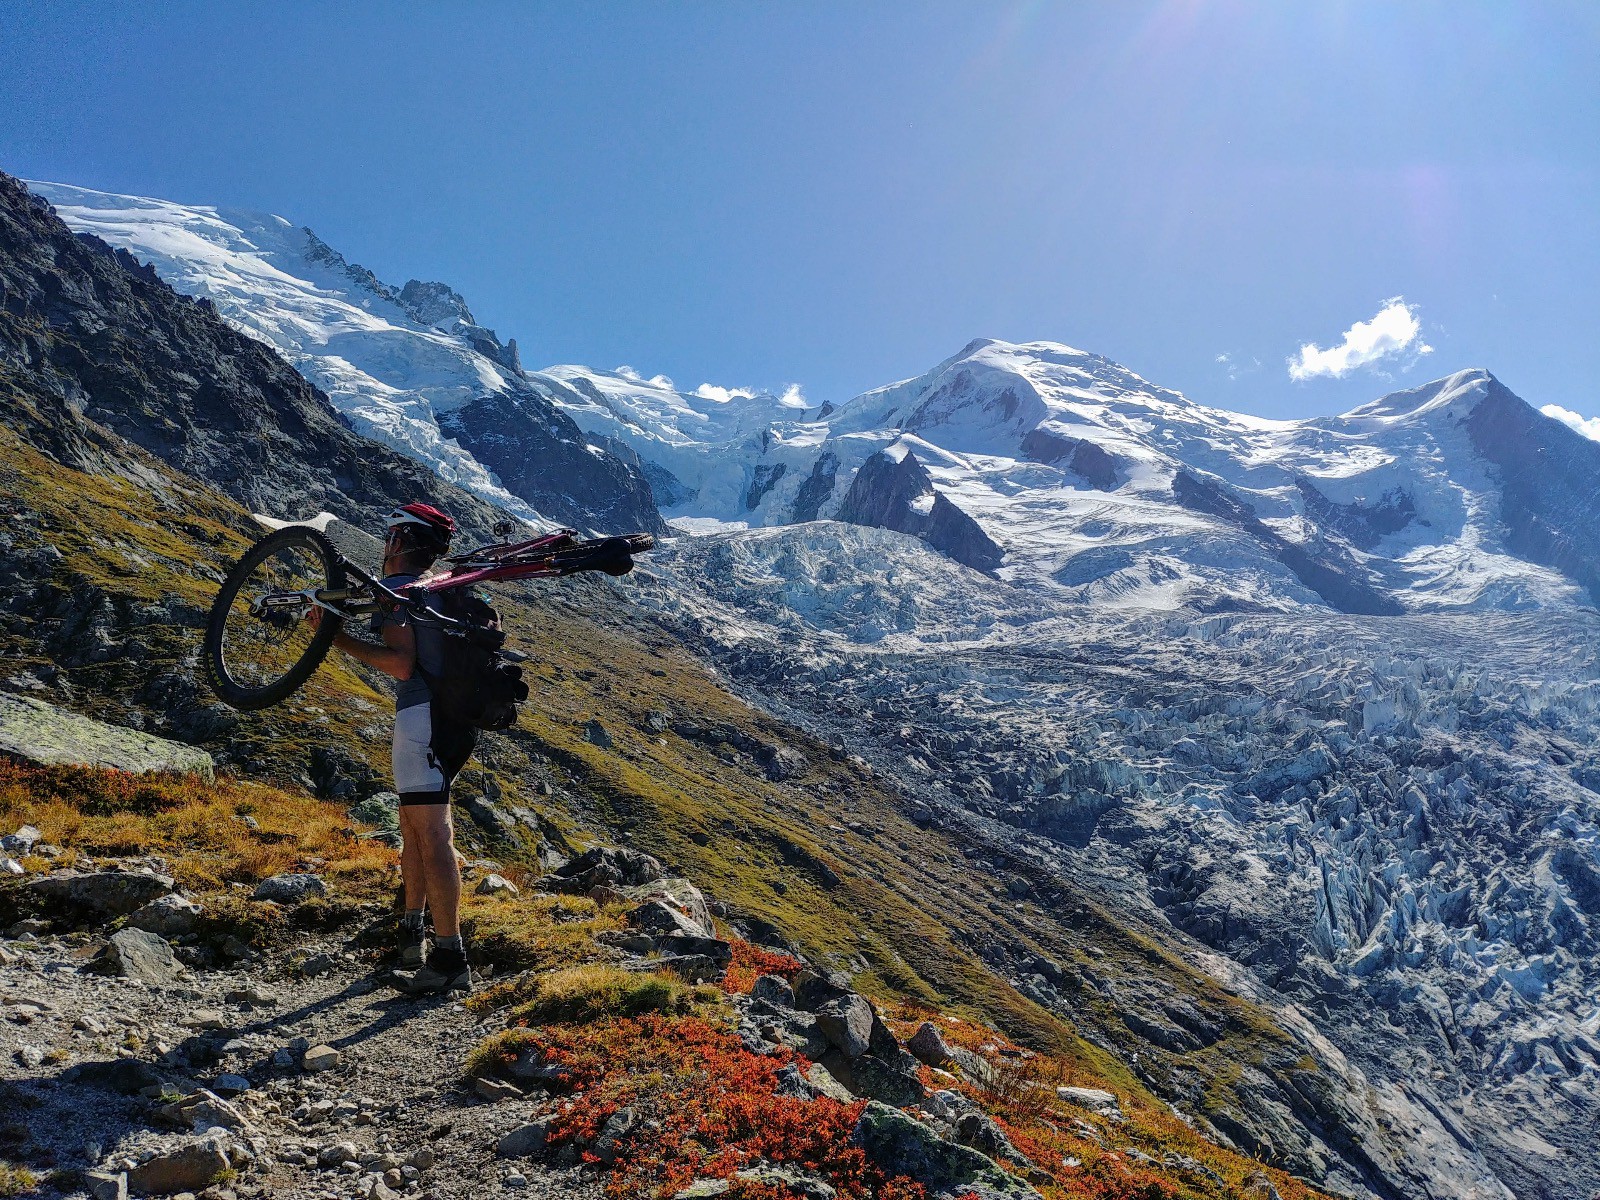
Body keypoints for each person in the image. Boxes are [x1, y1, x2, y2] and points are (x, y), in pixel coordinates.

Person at [308, 502, 477, 993]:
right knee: (414, 826)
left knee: (432, 833)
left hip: (422, 717)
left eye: (388, 539)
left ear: (399, 542)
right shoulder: (446, 589)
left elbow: (401, 664)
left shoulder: (403, 590)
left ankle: (449, 957)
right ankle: (411, 934)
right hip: (453, 719)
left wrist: (332, 637)